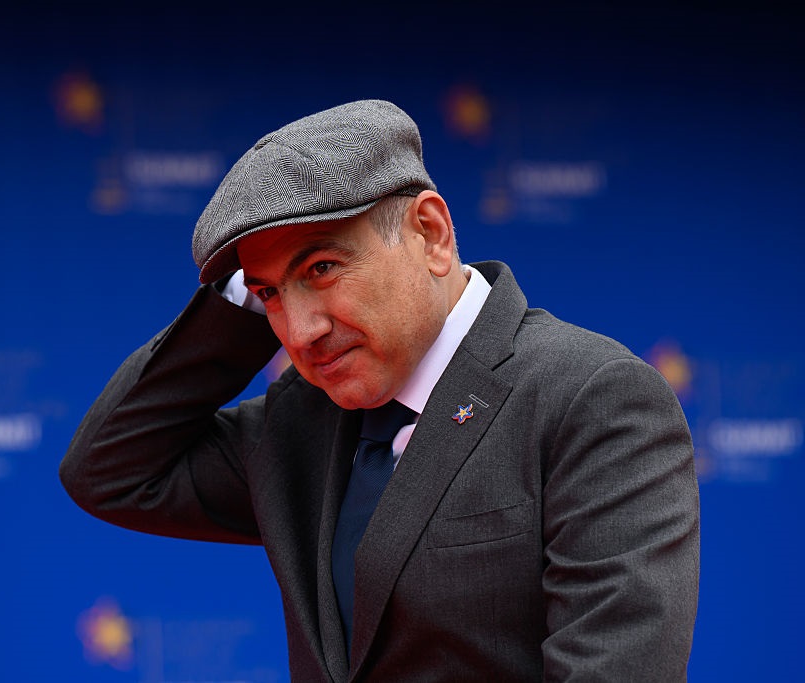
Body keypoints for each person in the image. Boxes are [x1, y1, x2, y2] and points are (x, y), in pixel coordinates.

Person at [59, 99, 700, 681]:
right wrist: (241, 302)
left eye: (322, 267)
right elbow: (109, 472)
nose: (300, 333)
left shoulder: (592, 398)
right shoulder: (300, 419)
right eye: (271, 293)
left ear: (431, 234)